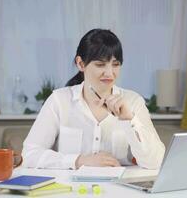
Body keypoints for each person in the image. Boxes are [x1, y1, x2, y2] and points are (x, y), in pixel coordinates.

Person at [22, 29, 165, 170]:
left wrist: (129, 120)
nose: (109, 73)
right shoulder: (59, 100)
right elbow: (29, 154)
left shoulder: (133, 101)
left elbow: (155, 162)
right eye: (100, 64)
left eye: (115, 64)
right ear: (81, 64)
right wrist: (79, 161)